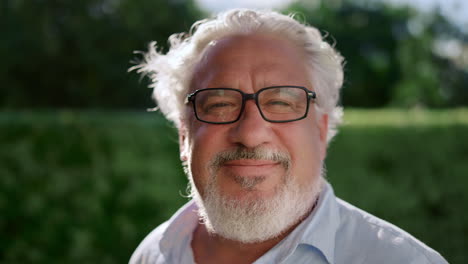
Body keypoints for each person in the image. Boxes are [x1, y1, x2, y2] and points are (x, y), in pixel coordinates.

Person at [129, 9, 447, 264]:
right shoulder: (154, 253)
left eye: (281, 103)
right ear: (185, 136)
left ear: (321, 132)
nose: (251, 135)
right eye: (220, 104)